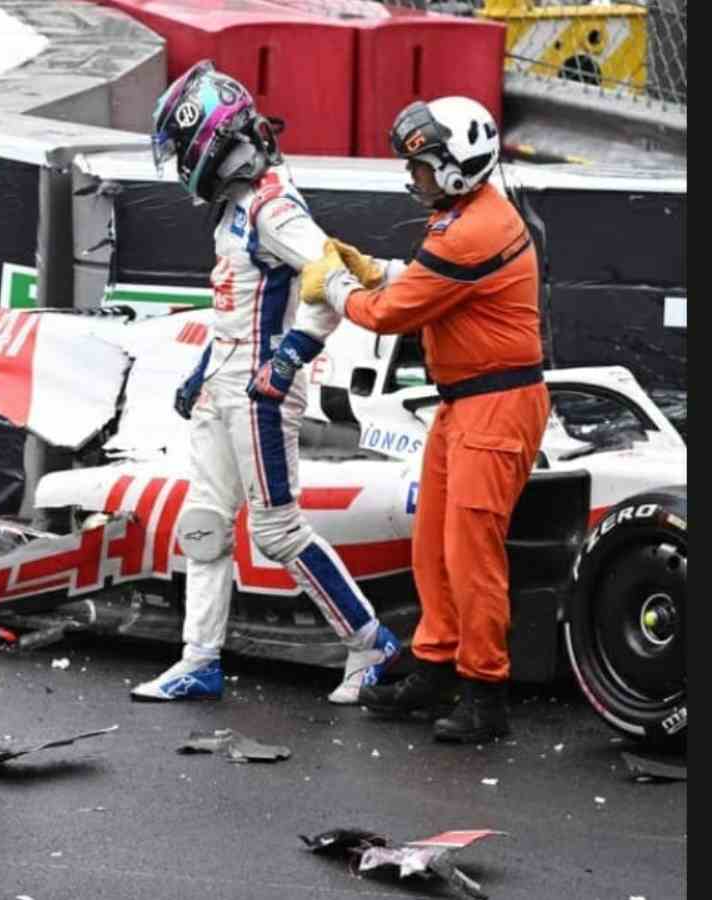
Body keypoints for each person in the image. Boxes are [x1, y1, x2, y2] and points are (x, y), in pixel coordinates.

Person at [130, 60, 400, 705]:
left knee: (276, 531)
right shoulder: (240, 206)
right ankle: (199, 659)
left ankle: (371, 643)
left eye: (183, 149)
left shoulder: (275, 208)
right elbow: (234, 307)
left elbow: (333, 279)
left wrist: (289, 359)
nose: (179, 166)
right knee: (204, 522)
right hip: (225, 382)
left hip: (259, 392)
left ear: (211, 143)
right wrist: (200, 373)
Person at [299, 96, 550, 742]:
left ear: (458, 168)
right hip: (467, 403)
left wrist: (332, 282)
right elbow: (425, 282)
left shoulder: (472, 230)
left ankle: (485, 693)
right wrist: (373, 269)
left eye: (424, 168)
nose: (415, 179)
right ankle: (437, 664)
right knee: (434, 542)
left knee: (471, 554)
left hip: (495, 406)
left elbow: (388, 315)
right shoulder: (466, 217)